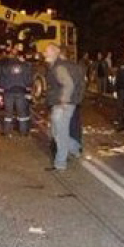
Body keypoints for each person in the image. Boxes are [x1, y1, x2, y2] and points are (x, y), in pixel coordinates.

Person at [44, 43, 81, 172]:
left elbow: (68, 84)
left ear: (56, 52)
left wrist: (64, 100)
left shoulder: (58, 67)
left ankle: (60, 164)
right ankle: (75, 148)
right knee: (56, 133)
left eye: (47, 51)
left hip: (62, 105)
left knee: (60, 134)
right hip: (61, 103)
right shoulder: (56, 66)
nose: (45, 53)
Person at [0, 45, 34, 136]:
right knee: (22, 113)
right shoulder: (25, 66)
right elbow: (28, 79)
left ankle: (7, 131)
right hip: (21, 91)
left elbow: (2, 78)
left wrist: (1, 91)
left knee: (8, 113)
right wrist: (28, 88)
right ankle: (23, 132)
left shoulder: (5, 66)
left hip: (8, 92)